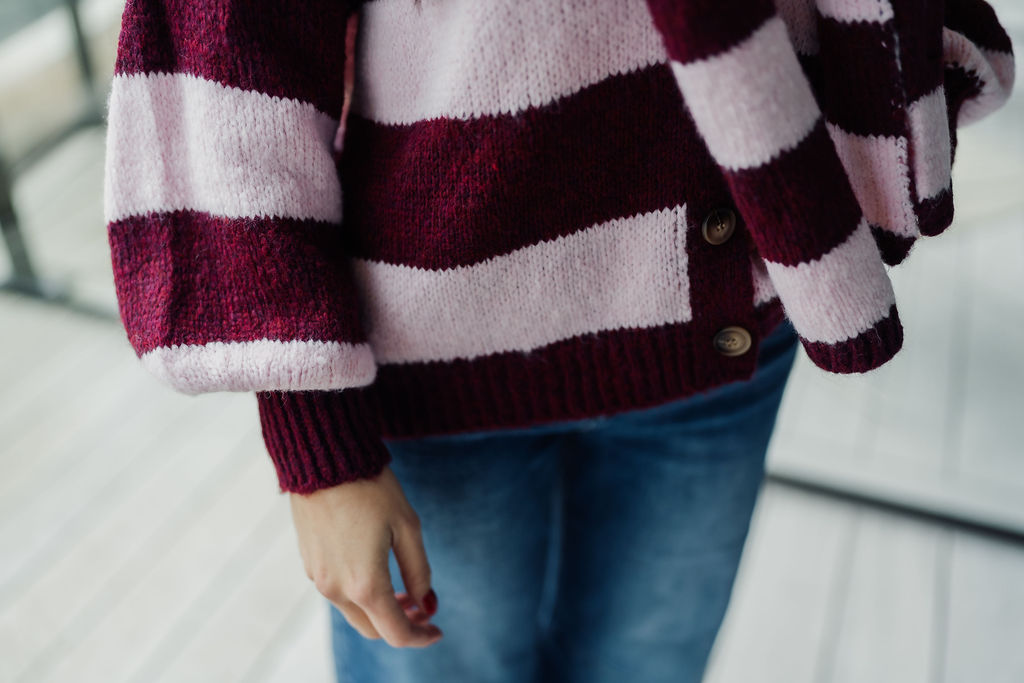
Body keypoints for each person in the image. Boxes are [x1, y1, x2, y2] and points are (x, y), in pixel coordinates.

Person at [103, 0, 1014, 681]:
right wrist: (319, 444)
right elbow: (224, 53)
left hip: (718, 330)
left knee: (650, 668)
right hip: (435, 372)